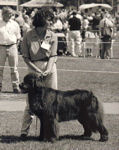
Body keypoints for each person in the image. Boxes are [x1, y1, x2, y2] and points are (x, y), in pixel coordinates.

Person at [20, 8, 58, 140]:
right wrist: (36, 70)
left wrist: (48, 69)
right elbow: (25, 57)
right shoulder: (28, 35)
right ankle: (24, 131)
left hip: (50, 68)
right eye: (49, 19)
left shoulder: (52, 35)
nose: (51, 22)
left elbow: (53, 55)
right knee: (31, 103)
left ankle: (50, 133)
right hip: (33, 69)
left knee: (52, 101)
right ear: (42, 20)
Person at [0, 7, 21, 93]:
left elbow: (18, 36)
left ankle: (16, 87)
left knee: (14, 68)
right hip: (1, 47)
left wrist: (16, 45)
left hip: (13, 46)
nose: (10, 16)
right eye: (8, 14)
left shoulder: (15, 24)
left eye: (11, 14)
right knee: (0, 68)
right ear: (3, 14)